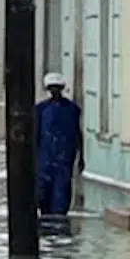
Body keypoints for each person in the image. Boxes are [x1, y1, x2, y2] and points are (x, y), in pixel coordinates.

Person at [34, 72, 83, 216]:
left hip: (64, 157)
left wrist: (81, 156)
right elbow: (36, 135)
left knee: (62, 192)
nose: (55, 91)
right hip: (44, 158)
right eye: (52, 88)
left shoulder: (72, 109)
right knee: (44, 193)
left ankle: (59, 218)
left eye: (57, 88)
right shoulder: (40, 109)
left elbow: (77, 133)